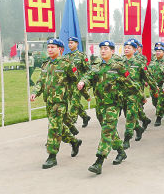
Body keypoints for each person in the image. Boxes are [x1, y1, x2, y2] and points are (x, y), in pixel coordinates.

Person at [78, 40, 141, 175]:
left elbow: (130, 83)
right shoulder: (96, 67)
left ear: (112, 51)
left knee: (107, 130)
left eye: (106, 48)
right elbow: (88, 76)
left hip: (113, 105)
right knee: (110, 130)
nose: (103, 51)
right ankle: (121, 152)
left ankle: (99, 161)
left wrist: (140, 96)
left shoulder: (118, 67)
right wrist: (83, 82)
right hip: (100, 105)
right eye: (101, 48)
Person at [30, 38, 82, 169]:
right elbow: (40, 82)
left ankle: (52, 156)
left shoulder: (66, 64)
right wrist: (35, 92)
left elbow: (76, 80)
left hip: (60, 102)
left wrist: (75, 92)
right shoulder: (46, 64)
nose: (50, 49)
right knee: (58, 126)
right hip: (49, 101)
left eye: (53, 47)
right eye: (48, 47)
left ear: (60, 49)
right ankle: (74, 141)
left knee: (53, 127)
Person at [121, 39, 158, 149]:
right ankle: (138, 128)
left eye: (129, 47)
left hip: (134, 93)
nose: (127, 49)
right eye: (125, 47)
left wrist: (155, 90)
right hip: (122, 94)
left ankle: (127, 138)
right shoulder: (120, 62)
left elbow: (148, 77)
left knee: (130, 116)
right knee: (128, 114)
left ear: (135, 50)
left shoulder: (138, 63)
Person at [64, 37, 91, 130]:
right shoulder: (66, 56)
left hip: (79, 83)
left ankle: (71, 122)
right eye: (69, 43)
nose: (70, 44)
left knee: (75, 101)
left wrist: (83, 81)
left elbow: (88, 70)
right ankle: (85, 117)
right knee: (74, 102)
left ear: (77, 44)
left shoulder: (82, 56)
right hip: (69, 84)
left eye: (72, 43)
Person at [148, 45, 164, 126]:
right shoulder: (152, 62)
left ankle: (158, 118)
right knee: (155, 102)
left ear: (163, 53)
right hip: (154, 86)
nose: (157, 52)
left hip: (163, 85)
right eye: (156, 51)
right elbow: (149, 74)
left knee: (161, 101)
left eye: (160, 51)